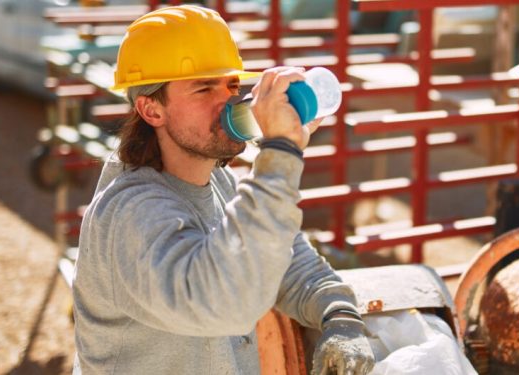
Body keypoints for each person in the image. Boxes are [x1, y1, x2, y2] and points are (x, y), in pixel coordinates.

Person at [72, 5, 375, 375]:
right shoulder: (129, 214)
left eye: (232, 84)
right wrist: (280, 152)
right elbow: (225, 304)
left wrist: (338, 313)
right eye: (204, 88)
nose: (229, 101)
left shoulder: (219, 182)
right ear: (151, 110)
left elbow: (289, 260)